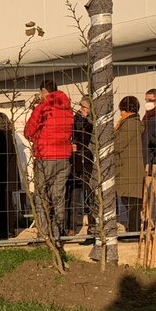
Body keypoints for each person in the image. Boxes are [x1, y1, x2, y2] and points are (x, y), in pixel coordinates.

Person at [23, 80, 74, 241]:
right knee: (59, 197)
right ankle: (58, 233)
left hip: (45, 156)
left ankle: (44, 235)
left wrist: (37, 139)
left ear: (44, 91)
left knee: (41, 197)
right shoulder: (67, 109)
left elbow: (28, 131)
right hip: (64, 157)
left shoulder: (42, 108)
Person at [115, 96, 147, 232]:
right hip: (129, 168)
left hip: (129, 169)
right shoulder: (130, 122)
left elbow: (118, 144)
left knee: (132, 202)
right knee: (130, 201)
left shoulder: (129, 124)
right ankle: (134, 230)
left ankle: (134, 232)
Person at [68, 96, 96, 237]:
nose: (82, 110)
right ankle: (71, 226)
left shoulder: (93, 122)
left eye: (85, 108)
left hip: (89, 161)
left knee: (90, 194)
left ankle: (92, 225)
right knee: (74, 194)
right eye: (82, 107)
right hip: (76, 161)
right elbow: (75, 139)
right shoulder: (75, 121)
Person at [0, 112, 22, 236]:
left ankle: (4, 229)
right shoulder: (11, 135)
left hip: (1, 173)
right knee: (8, 202)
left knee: (2, 202)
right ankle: (10, 229)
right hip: (10, 173)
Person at [142, 88, 156, 163]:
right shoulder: (147, 115)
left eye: (150, 100)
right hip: (146, 152)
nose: (147, 103)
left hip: (153, 156)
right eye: (146, 100)